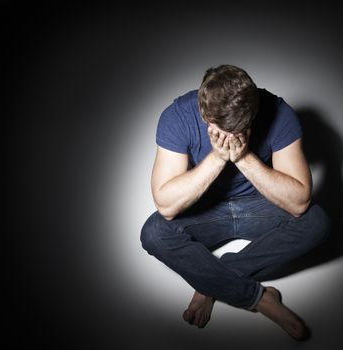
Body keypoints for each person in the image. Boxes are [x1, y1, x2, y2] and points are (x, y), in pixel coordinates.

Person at [140, 64, 331, 340]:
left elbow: (300, 201)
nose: (228, 139)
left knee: (317, 222)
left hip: (258, 204)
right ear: (204, 112)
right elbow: (166, 206)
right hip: (207, 208)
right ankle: (260, 299)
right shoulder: (178, 116)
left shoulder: (279, 113)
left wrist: (242, 157)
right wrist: (218, 158)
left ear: (252, 115)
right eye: (219, 130)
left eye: (238, 130)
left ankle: (210, 283)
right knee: (154, 233)